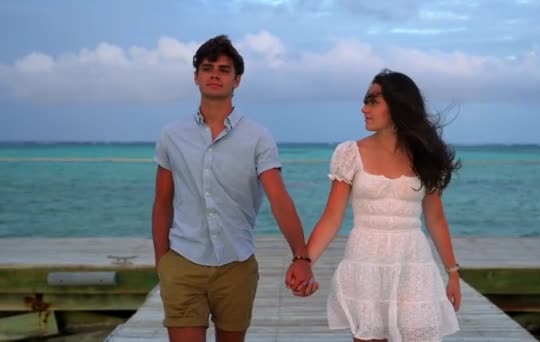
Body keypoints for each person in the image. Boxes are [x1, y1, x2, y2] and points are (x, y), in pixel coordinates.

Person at [152, 34, 314, 342]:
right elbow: (162, 202)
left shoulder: (258, 137)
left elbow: (278, 198)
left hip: (236, 265)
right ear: (196, 76)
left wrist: (301, 256)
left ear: (236, 80)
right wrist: (163, 263)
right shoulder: (172, 135)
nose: (215, 74)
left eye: (224, 69)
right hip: (183, 262)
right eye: (208, 67)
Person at [301, 69, 462, 341]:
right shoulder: (349, 153)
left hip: (413, 263)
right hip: (366, 262)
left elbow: (435, 219)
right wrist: (304, 262)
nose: (364, 109)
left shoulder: (425, 155)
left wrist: (453, 273)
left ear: (398, 106)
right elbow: (331, 217)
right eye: (365, 100)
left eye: (373, 101)